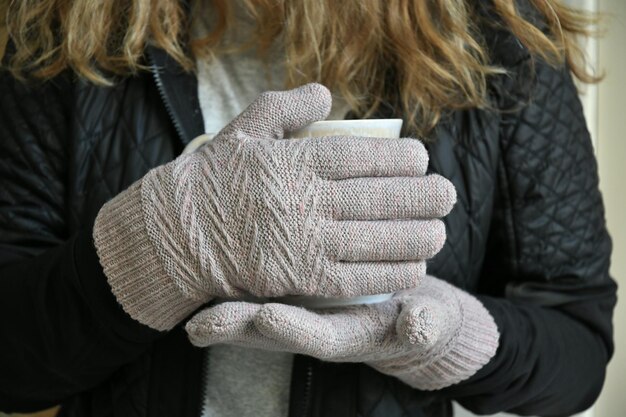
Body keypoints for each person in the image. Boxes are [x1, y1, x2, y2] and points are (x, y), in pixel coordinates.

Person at [0, 0, 616, 416]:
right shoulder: (64, 25)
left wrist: (446, 338)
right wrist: (162, 250)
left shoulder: (497, 33)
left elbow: (577, 341)